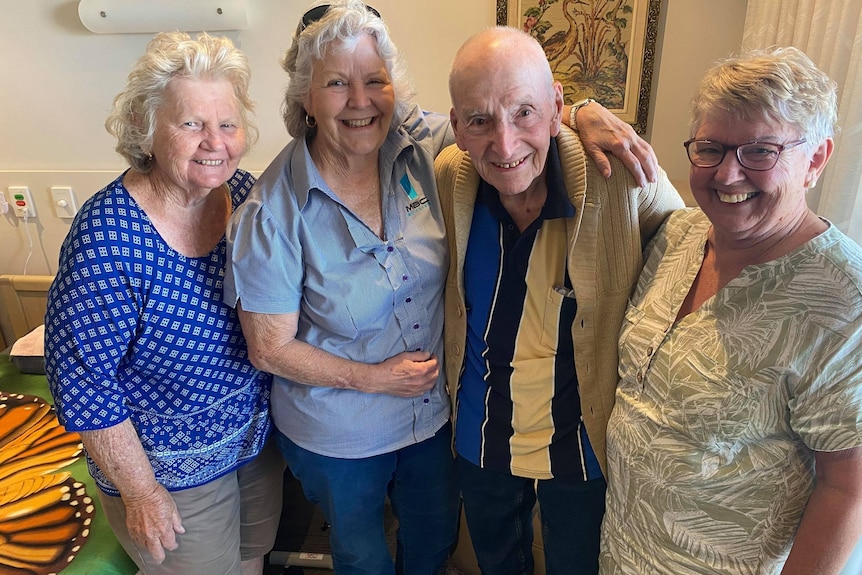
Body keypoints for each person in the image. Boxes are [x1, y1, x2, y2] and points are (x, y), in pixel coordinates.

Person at [224, 3, 659, 574]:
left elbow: (503, 113)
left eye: (374, 80)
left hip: (430, 420)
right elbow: (269, 348)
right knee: (363, 557)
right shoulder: (270, 212)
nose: (360, 101)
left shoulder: (418, 146)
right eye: (336, 83)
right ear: (306, 96)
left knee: (432, 542)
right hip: (341, 433)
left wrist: (581, 111)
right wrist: (376, 379)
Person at [599, 46, 862, 575]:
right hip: (622, 554)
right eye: (712, 148)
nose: (728, 174)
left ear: (814, 160)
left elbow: (848, 488)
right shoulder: (676, 234)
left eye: (760, 152)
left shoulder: (843, 301)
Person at [436, 26, 684, 575]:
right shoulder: (449, 177)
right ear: (456, 127)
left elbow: (693, 243)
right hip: (481, 437)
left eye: (524, 113)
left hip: (581, 440)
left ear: (555, 109)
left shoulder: (618, 176)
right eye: (479, 120)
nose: (504, 146)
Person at [44, 32, 283, 575]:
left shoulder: (245, 194)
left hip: (251, 442)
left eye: (227, 124)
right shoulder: (107, 241)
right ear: (148, 131)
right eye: (191, 124)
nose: (214, 142)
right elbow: (83, 383)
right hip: (165, 472)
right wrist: (141, 492)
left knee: (252, 559)